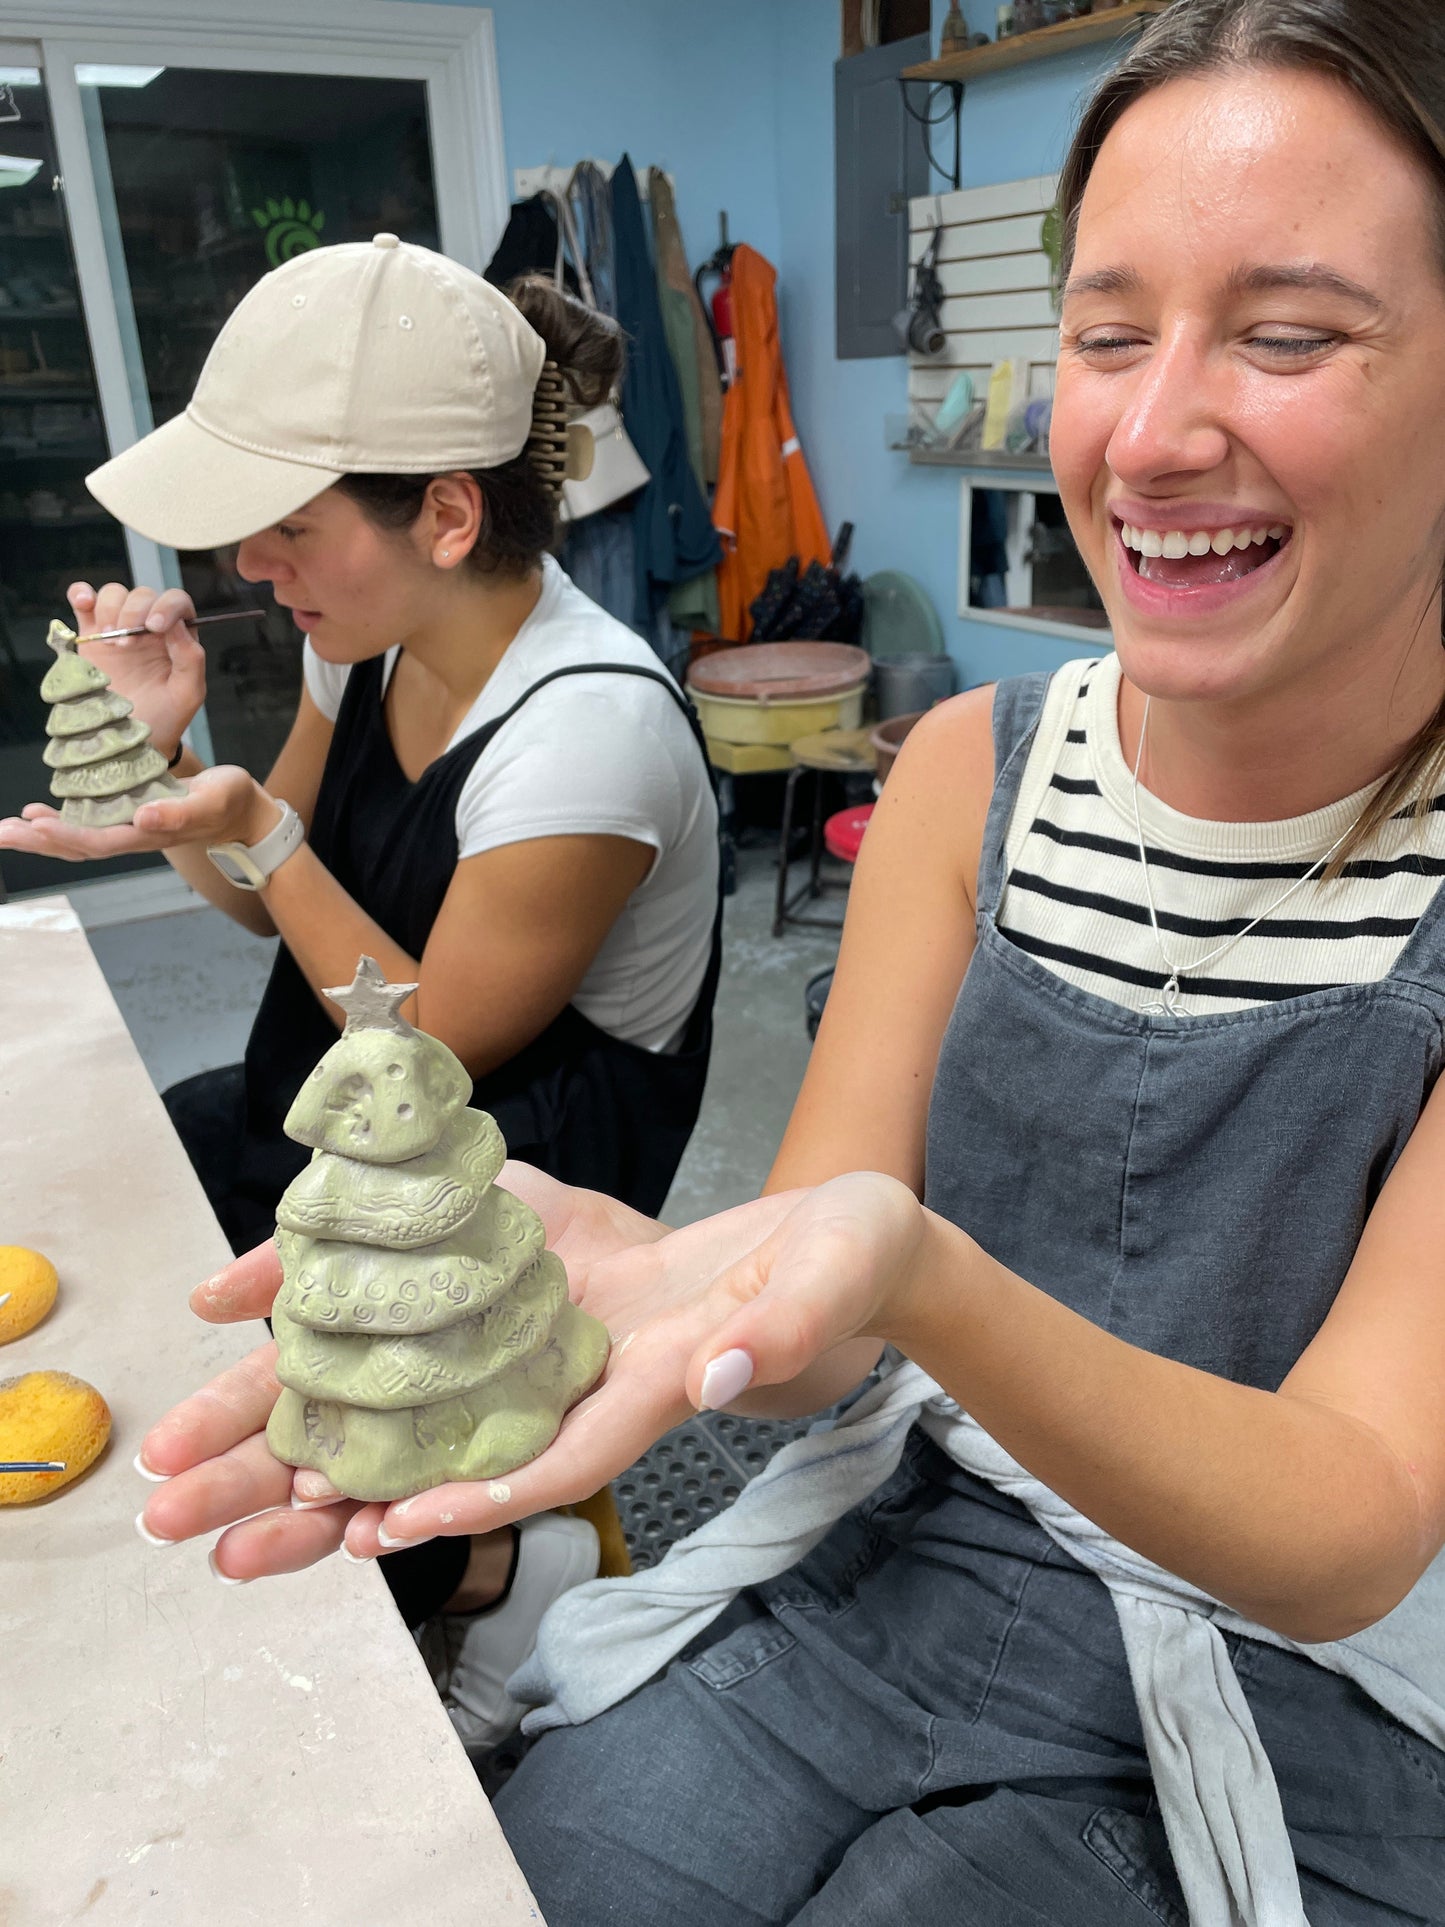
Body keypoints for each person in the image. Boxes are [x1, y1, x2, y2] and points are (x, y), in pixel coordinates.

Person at [131, 0, 1445, 1917]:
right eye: (1100, 333)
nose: (1151, 433)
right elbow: (809, 1302)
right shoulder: (963, 779)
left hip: (1304, 1675)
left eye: (1289, 333)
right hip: (910, 1548)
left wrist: (912, 1273)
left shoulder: (582, 725)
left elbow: (1349, 1526)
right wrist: (683, 1290)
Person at [0, 239, 721, 1758]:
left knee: (340, 1386)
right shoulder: (361, 643)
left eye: (286, 529)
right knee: (189, 1178)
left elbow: (432, 1045)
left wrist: (257, 826)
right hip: (360, 1073)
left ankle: (517, 1575)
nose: (248, 570)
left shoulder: (589, 733)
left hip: (514, 1156)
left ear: (447, 515)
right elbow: (266, 904)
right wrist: (171, 759)